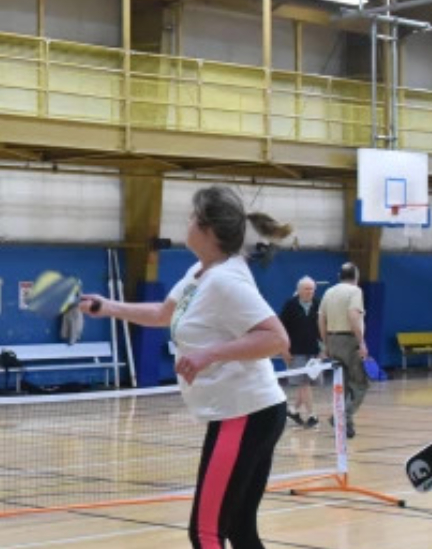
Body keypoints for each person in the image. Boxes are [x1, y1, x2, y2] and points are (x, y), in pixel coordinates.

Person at [82, 185, 291, 549]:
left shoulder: (226, 281)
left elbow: (277, 340)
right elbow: (164, 313)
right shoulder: (201, 272)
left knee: (206, 533)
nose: (188, 222)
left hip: (245, 412)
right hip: (244, 411)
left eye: (193, 217)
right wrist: (109, 307)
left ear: (208, 230)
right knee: (240, 531)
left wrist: (209, 354)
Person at [317, 262, 367, 439]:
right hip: (348, 340)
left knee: (343, 386)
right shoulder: (355, 291)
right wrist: (361, 343)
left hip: (332, 339)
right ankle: (341, 417)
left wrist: (326, 344)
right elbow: (353, 315)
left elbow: (321, 319)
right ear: (356, 276)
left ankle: (347, 426)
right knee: (360, 384)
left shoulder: (329, 292)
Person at [279, 276, 321, 428]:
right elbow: (281, 329)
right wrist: (283, 350)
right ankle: (312, 415)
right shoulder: (290, 305)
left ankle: (293, 410)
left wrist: (324, 348)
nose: (310, 292)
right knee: (304, 383)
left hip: (313, 351)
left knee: (307, 383)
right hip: (295, 351)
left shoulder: (318, 304)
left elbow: (322, 327)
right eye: (306, 289)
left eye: (312, 289)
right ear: (298, 290)